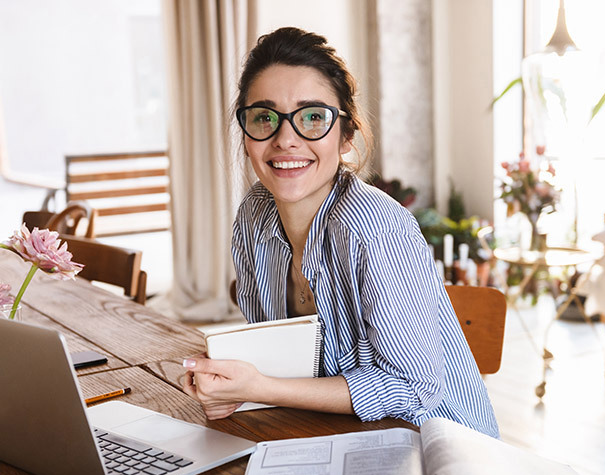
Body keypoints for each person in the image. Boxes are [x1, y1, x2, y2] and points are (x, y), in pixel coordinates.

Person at [182, 27, 499, 438]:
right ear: (246, 136)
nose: (285, 139)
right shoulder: (253, 216)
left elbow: (415, 390)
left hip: (436, 451)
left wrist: (262, 388)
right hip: (332, 435)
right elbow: (279, 359)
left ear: (346, 136)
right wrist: (235, 387)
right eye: (264, 117)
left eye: (313, 117)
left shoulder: (377, 229)